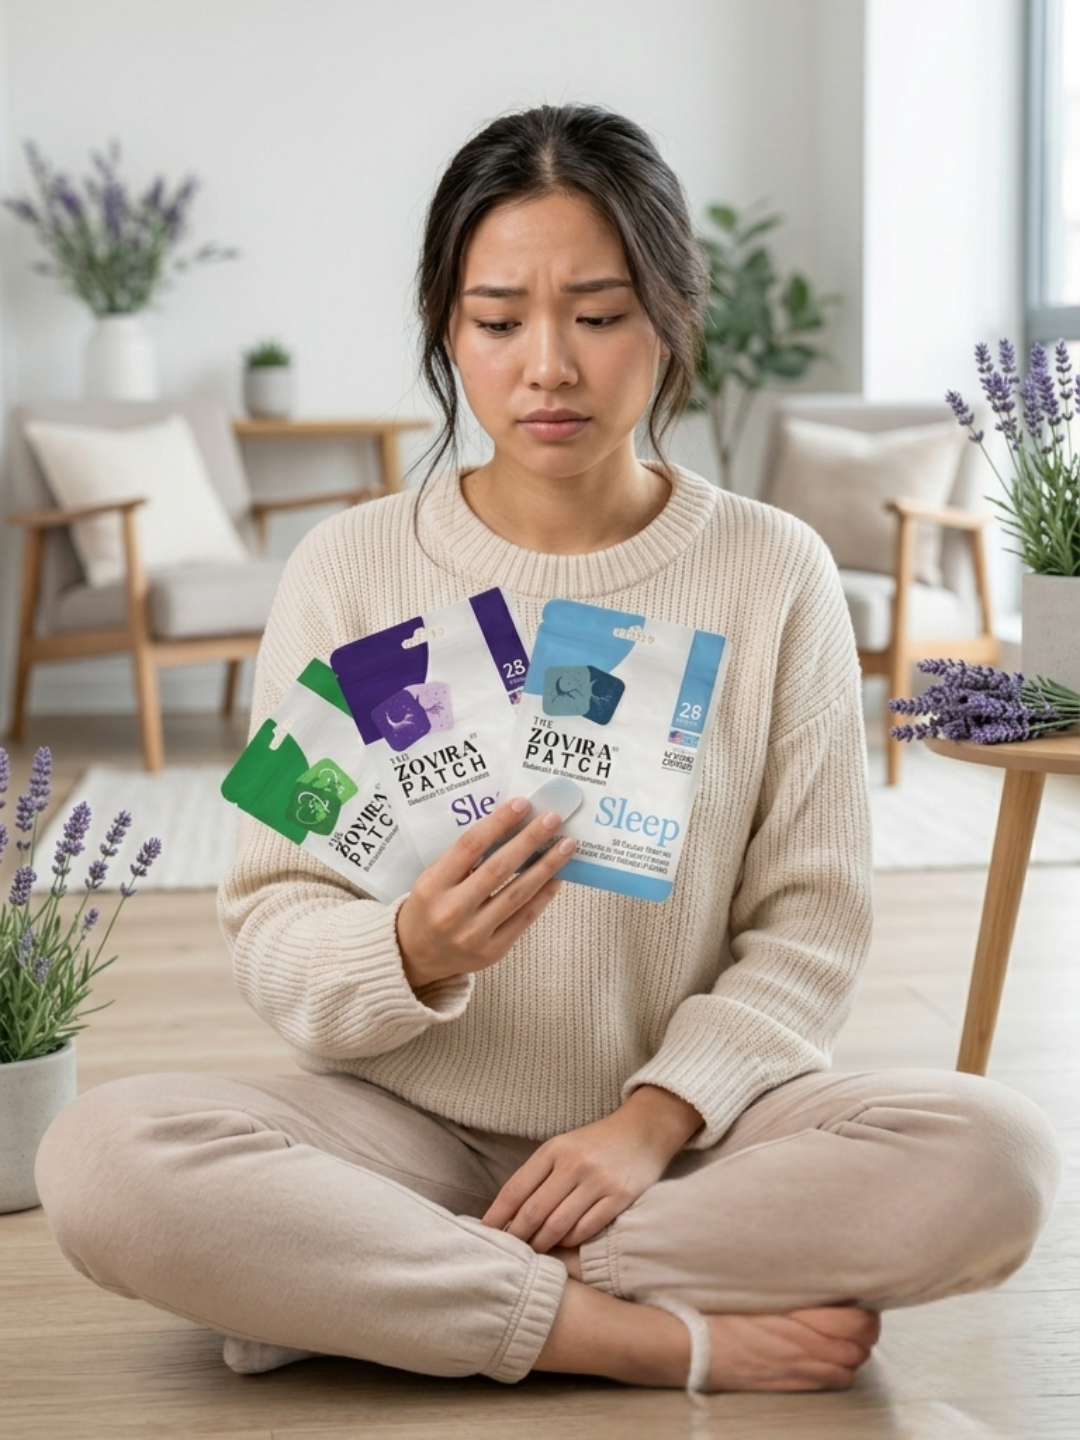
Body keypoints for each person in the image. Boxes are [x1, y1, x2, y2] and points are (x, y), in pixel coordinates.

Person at [36, 104, 1059, 1397]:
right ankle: (635, 1329)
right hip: (398, 1133)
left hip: (691, 1144)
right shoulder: (349, 568)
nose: (548, 367)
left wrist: (646, 1125)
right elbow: (270, 920)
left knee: (998, 1157)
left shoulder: (773, 570)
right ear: (446, 331)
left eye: (598, 311)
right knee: (100, 1159)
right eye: (498, 319)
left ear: (674, 312)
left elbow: (810, 931)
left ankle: (387, 1289)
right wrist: (411, 948)